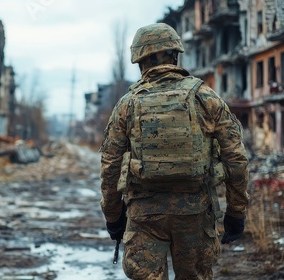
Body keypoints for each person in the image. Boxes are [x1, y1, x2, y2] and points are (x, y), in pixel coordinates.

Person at [99, 22, 250, 279]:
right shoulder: (205, 96)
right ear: (175, 54)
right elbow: (235, 158)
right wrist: (236, 212)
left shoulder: (127, 104)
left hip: (144, 215)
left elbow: (110, 164)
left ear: (139, 61)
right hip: (195, 212)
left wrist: (113, 216)